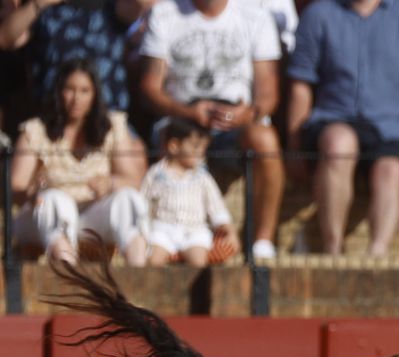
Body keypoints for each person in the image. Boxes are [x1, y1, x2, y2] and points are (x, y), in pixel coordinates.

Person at [286, 0, 399, 256]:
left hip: (393, 127)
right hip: (333, 119)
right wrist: (294, 147)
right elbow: (300, 85)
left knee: (390, 170)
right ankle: (332, 251)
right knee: (338, 145)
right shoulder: (319, 14)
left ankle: (377, 257)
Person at [137, 0, 285, 260]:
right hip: (181, 119)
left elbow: (269, 95)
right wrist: (188, 112)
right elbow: (150, 89)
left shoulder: (256, 16)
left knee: (266, 139)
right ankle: (163, 237)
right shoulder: (164, 13)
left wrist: (246, 114)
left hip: (236, 123)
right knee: (166, 138)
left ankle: (262, 243)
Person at [9, 59, 150, 265]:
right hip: (44, 219)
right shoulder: (36, 130)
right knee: (56, 200)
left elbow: (134, 180)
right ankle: (69, 275)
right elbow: (16, 187)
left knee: (128, 199)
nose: (76, 98)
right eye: (70, 89)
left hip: (91, 216)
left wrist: (110, 183)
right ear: (58, 92)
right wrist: (33, 192)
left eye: (84, 91)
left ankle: (137, 280)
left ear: (95, 95)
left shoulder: (112, 126)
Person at [0, 0, 155, 113]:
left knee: (133, 152)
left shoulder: (111, 6)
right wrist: (36, 4)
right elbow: (5, 39)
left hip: (106, 115)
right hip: (54, 116)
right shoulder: (44, 9)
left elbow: (141, 4)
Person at [140, 116, 239, 265]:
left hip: (194, 231)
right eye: (195, 147)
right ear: (174, 145)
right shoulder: (155, 174)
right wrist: (141, 231)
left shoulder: (202, 177)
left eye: (203, 148)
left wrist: (228, 230)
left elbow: (216, 207)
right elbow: (142, 203)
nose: (200, 153)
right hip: (162, 229)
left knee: (198, 261)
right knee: (153, 260)